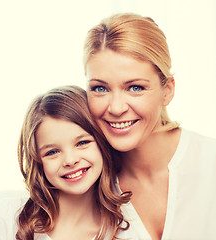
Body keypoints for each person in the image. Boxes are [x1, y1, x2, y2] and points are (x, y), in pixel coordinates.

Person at [83, 13, 216, 240]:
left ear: (167, 91)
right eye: (100, 89)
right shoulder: (83, 181)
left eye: (135, 88)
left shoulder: (209, 161)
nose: (116, 108)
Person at [0, 85, 138, 240]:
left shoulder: (128, 230)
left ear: (102, 142)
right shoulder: (7, 218)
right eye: (52, 152)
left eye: (82, 143)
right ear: (38, 161)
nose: (70, 160)